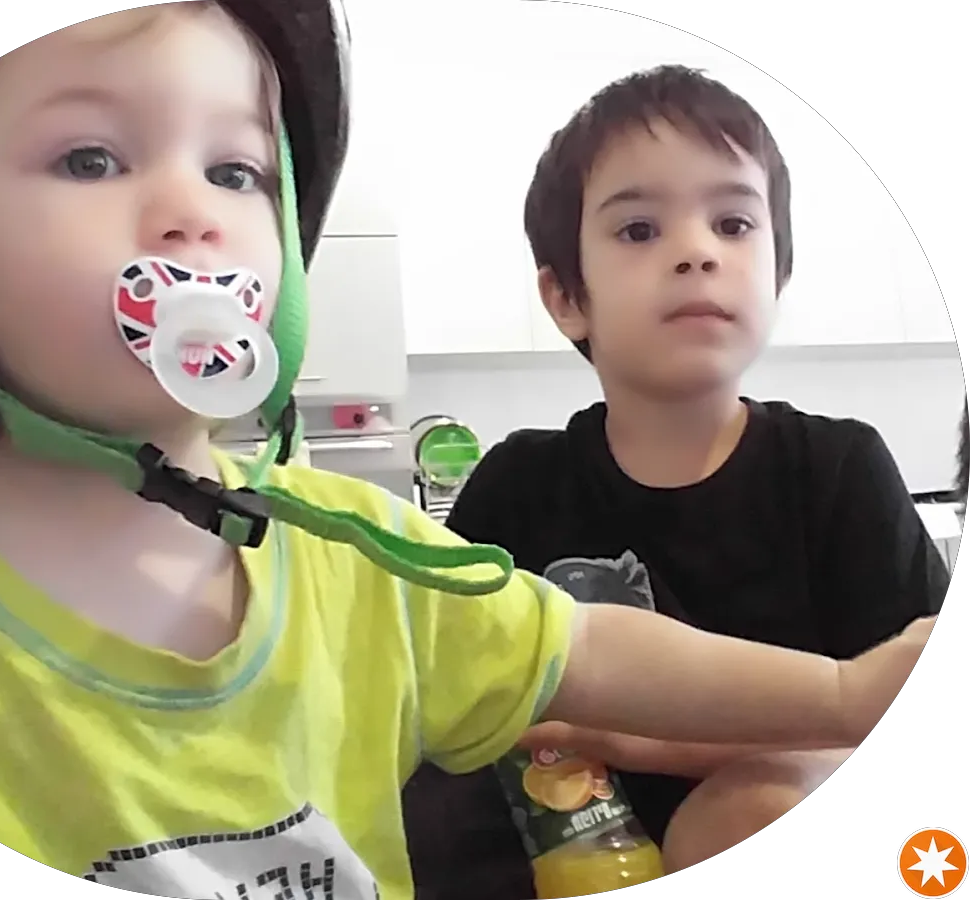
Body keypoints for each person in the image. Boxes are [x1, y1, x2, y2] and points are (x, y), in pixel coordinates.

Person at [0, 13, 934, 899]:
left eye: (237, 172)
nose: (192, 212)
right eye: (90, 158)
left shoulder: (365, 554)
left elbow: (576, 645)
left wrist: (840, 694)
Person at [403, 64, 950, 898]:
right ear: (566, 296)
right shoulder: (517, 486)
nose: (698, 252)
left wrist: (644, 743)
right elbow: (443, 717)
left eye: (733, 223)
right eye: (639, 230)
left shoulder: (838, 469)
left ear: (778, 273)